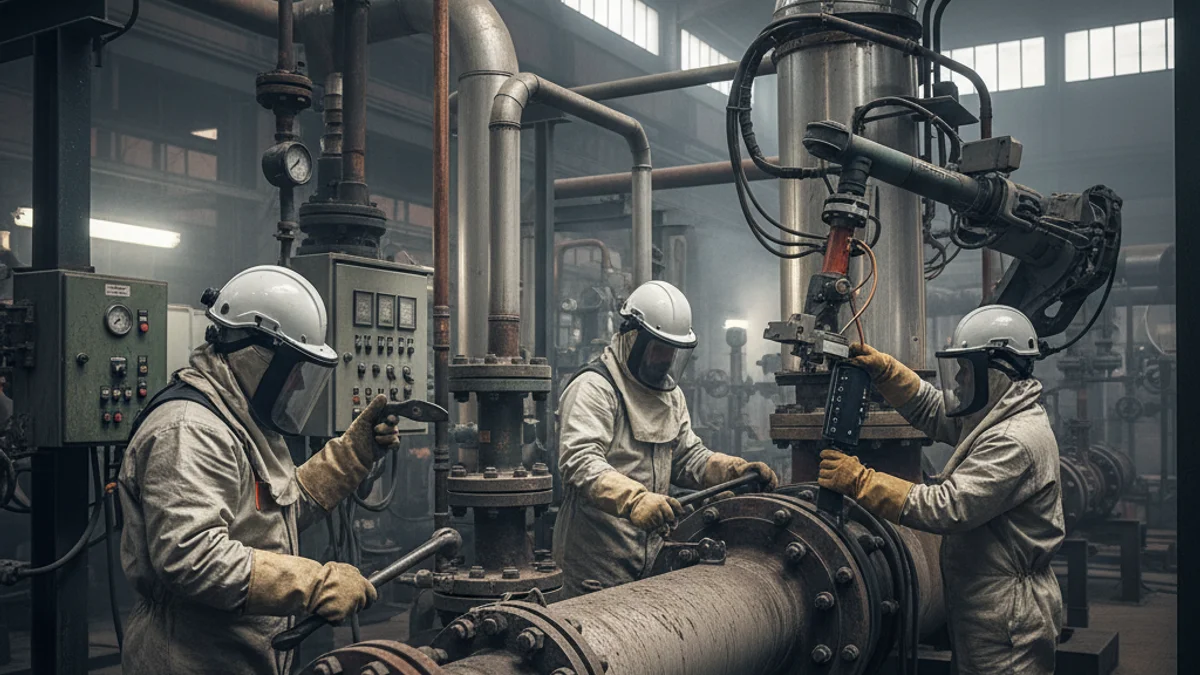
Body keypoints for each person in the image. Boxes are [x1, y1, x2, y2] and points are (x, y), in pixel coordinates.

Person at [118, 265, 401, 674]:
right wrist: (314, 584)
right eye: (294, 369)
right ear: (257, 355)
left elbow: (274, 511)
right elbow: (191, 556)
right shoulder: (191, 430)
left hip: (234, 650)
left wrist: (354, 454)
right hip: (189, 656)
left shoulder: (239, 420)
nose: (300, 386)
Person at [818, 305, 1064, 674]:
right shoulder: (998, 413)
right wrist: (889, 374)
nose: (960, 380)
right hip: (987, 602)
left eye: (966, 370)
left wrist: (860, 481)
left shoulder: (1015, 439)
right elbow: (939, 412)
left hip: (1007, 615)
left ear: (993, 372)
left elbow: (950, 507)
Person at [553, 280, 778, 597]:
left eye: (674, 350)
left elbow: (688, 458)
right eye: (660, 347)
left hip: (651, 562)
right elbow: (581, 463)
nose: (667, 358)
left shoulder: (670, 395)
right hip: (596, 568)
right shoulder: (595, 387)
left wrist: (733, 472)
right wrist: (635, 500)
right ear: (633, 338)